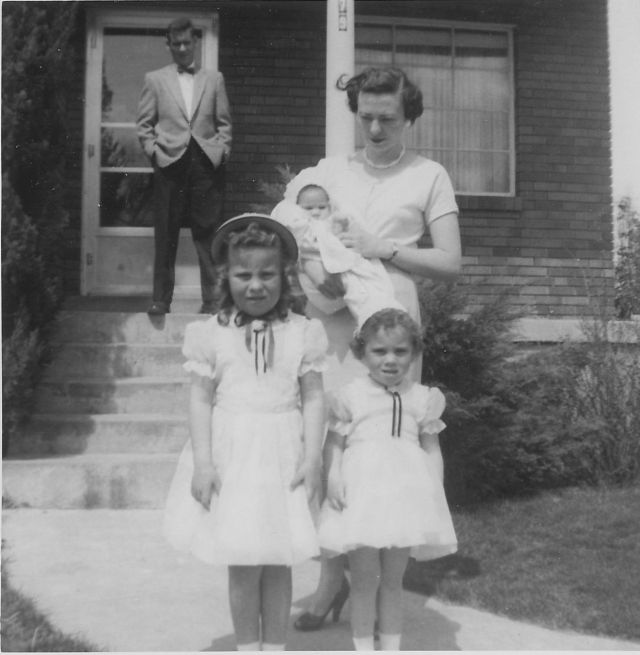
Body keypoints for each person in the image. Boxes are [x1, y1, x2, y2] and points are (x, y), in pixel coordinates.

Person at [271, 66, 462, 632]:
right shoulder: (326, 173)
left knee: (384, 447)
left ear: (409, 118)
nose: (375, 128)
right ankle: (332, 580)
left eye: (388, 118)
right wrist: (311, 270)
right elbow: (290, 233)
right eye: (367, 116)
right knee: (329, 441)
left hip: (393, 322)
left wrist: (387, 248)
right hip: (332, 321)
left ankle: (376, 584)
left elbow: (451, 263)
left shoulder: (430, 175)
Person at [162, 213, 327, 650]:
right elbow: (200, 398)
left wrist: (312, 457)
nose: (256, 285)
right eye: (244, 274)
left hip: (283, 455)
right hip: (234, 457)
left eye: (267, 274)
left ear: (284, 276)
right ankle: (247, 646)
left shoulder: (302, 332)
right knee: (242, 560)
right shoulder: (210, 335)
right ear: (225, 276)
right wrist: (203, 461)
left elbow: (313, 397)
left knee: (279, 559)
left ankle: (275, 646)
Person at [318, 308, 457, 651]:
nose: (390, 360)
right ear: (362, 353)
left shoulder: (423, 398)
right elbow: (333, 445)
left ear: (414, 353)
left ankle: (392, 647)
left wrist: (433, 493)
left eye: (400, 351)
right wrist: (333, 478)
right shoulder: (349, 395)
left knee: (393, 582)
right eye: (380, 351)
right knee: (365, 580)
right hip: (363, 497)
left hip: (405, 497)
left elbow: (432, 450)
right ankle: (364, 647)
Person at [136, 17, 232, 316]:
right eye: (176, 44)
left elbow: (224, 123)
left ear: (195, 43)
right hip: (170, 163)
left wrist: (222, 151)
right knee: (166, 233)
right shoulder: (155, 79)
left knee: (208, 232)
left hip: (204, 163)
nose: (181, 48)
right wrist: (154, 152)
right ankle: (161, 300)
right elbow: (144, 124)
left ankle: (213, 300)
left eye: (186, 43)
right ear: (168, 45)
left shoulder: (214, 79)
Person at [272, 183, 404, 327]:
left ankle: (383, 313)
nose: (315, 212)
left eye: (321, 207)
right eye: (308, 208)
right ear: (298, 208)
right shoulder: (301, 225)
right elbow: (294, 243)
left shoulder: (331, 221)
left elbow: (346, 236)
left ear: (329, 207)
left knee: (367, 286)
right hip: (317, 269)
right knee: (355, 294)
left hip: (343, 266)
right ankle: (372, 320)